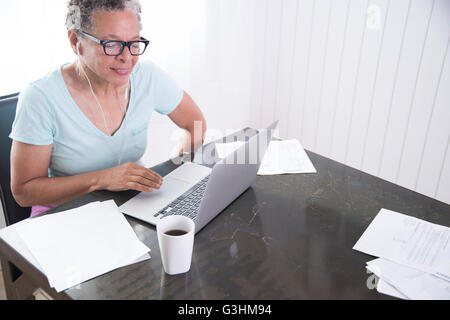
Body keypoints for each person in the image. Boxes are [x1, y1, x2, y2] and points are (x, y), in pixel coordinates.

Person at [9, 0, 206, 217]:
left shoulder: (148, 76)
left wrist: (179, 173)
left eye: (134, 43)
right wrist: (102, 179)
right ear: (76, 41)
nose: (127, 57)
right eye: (111, 44)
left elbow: (195, 124)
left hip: (130, 204)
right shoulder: (40, 97)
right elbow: (24, 192)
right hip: (65, 215)